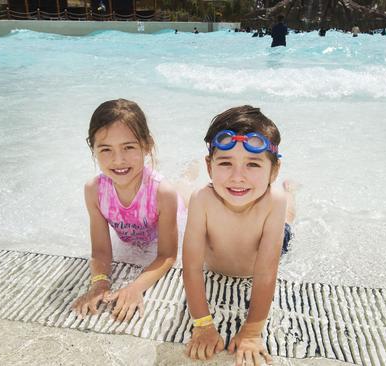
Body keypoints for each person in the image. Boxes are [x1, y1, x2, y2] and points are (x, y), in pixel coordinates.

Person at [182, 106, 295, 364]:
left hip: (275, 234)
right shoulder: (202, 200)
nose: (237, 177)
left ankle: (293, 192)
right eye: (225, 163)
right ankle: (185, 176)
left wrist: (253, 330)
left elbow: (266, 272)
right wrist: (202, 324)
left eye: (253, 164)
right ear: (209, 166)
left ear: (274, 171)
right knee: (185, 193)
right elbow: (191, 268)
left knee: (288, 216)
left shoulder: (273, 201)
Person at [71, 99, 183, 322]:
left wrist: (135, 287)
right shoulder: (94, 191)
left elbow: (167, 255)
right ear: (93, 149)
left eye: (129, 147)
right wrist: (100, 283)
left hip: (174, 209)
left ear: (147, 145)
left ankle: (187, 175)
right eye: (105, 149)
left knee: (183, 191)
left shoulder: (163, 193)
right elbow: (101, 252)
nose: (118, 160)